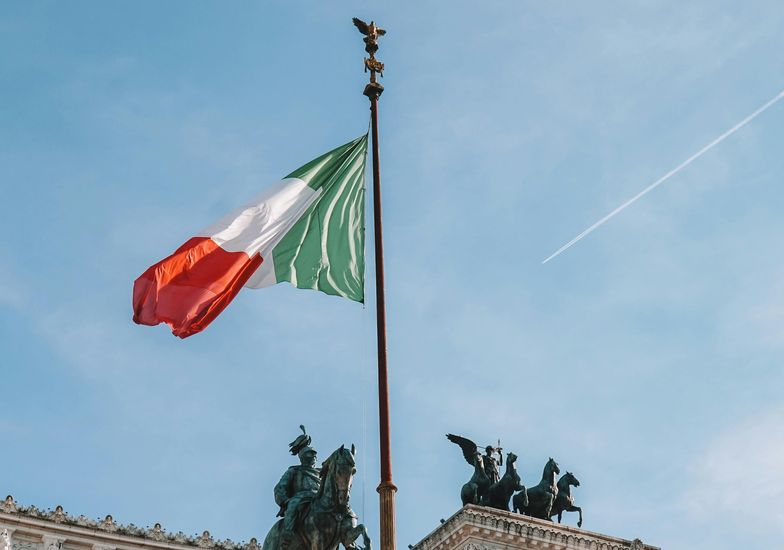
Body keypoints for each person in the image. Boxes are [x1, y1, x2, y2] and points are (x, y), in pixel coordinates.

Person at [274, 426, 321, 550]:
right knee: (294, 504)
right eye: (309, 456)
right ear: (302, 458)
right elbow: (280, 487)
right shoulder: (294, 471)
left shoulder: (321, 473)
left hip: (318, 499)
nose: (313, 458)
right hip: (301, 498)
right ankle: (287, 535)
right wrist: (285, 500)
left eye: (314, 456)